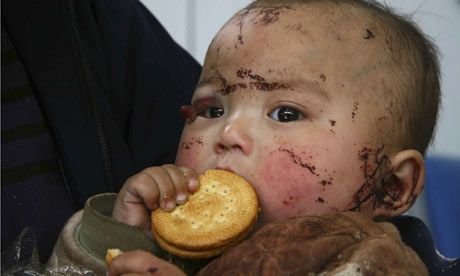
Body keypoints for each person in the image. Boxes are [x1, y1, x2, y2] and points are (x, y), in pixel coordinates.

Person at [50, 0, 459, 275]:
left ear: (391, 186)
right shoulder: (171, 249)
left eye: (286, 113)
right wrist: (120, 238)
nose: (227, 134)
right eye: (212, 110)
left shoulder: (372, 260)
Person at [1, 0, 201, 265]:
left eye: (278, 115)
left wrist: (119, 238)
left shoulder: (87, 13)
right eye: (214, 113)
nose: (231, 134)